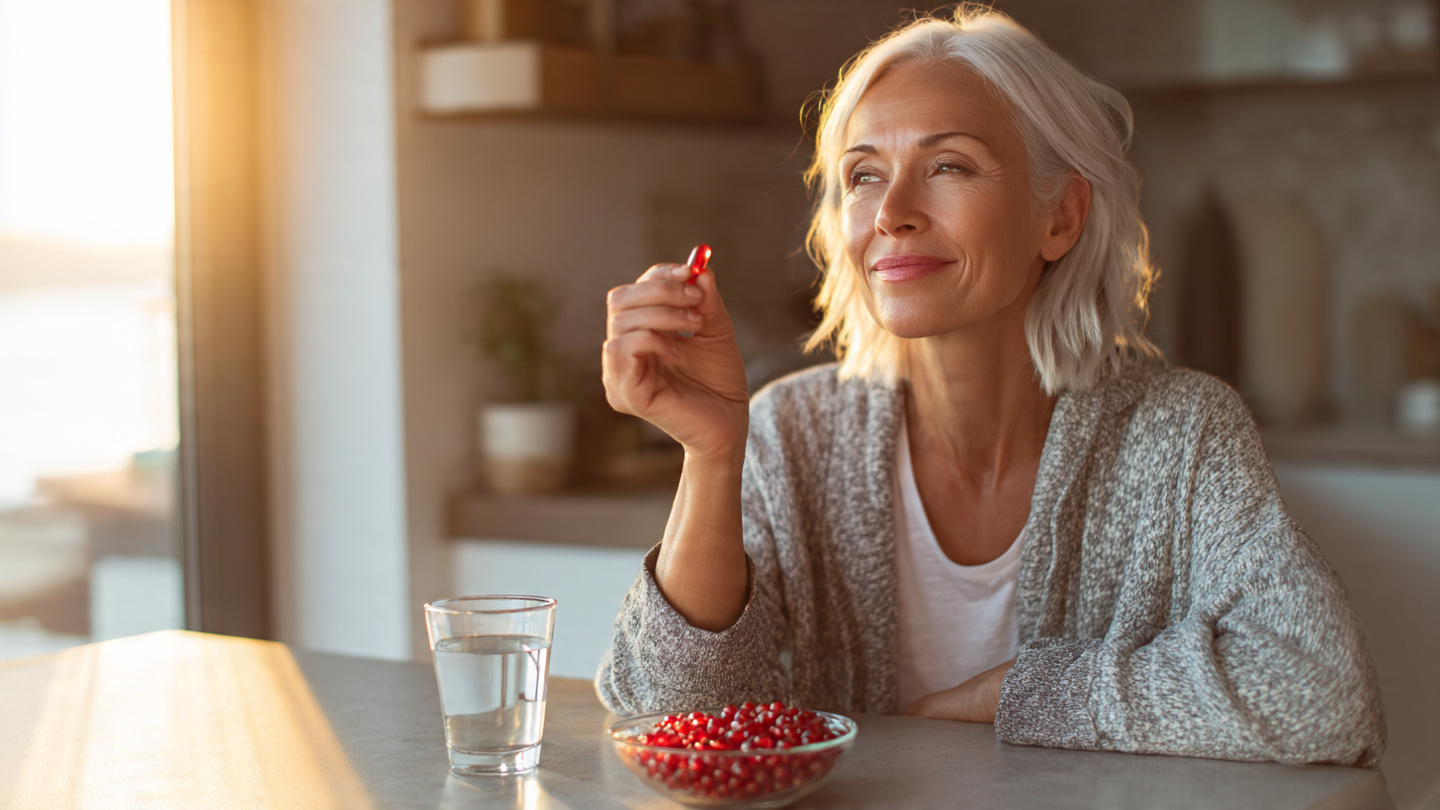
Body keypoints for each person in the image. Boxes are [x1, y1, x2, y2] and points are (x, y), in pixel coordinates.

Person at [595, 7, 1385, 765]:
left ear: (1060, 218)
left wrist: (1015, 694)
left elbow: (1322, 696)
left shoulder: (1179, 433)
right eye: (864, 175)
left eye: (948, 165)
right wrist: (712, 452)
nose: (893, 212)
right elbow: (673, 716)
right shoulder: (795, 431)